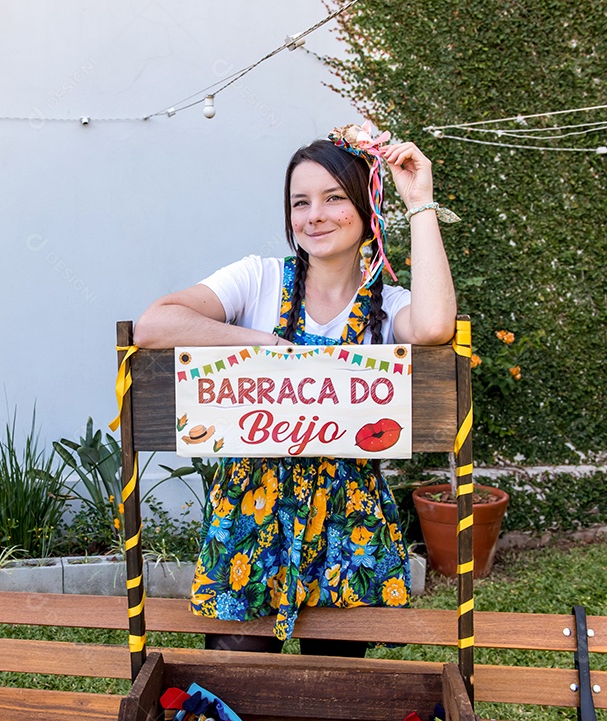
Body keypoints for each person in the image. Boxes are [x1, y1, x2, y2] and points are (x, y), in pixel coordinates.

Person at [133, 124, 457, 655]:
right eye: (300, 202)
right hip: (248, 515)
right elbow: (154, 324)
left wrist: (419, 201)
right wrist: (263, 345)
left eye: (334, 198)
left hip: (346, 523)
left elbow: (434, 327)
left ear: (366, 208)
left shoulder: (388, 304)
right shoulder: (256, 280)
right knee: (234, 680)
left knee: (331, 691)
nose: (314, 216)